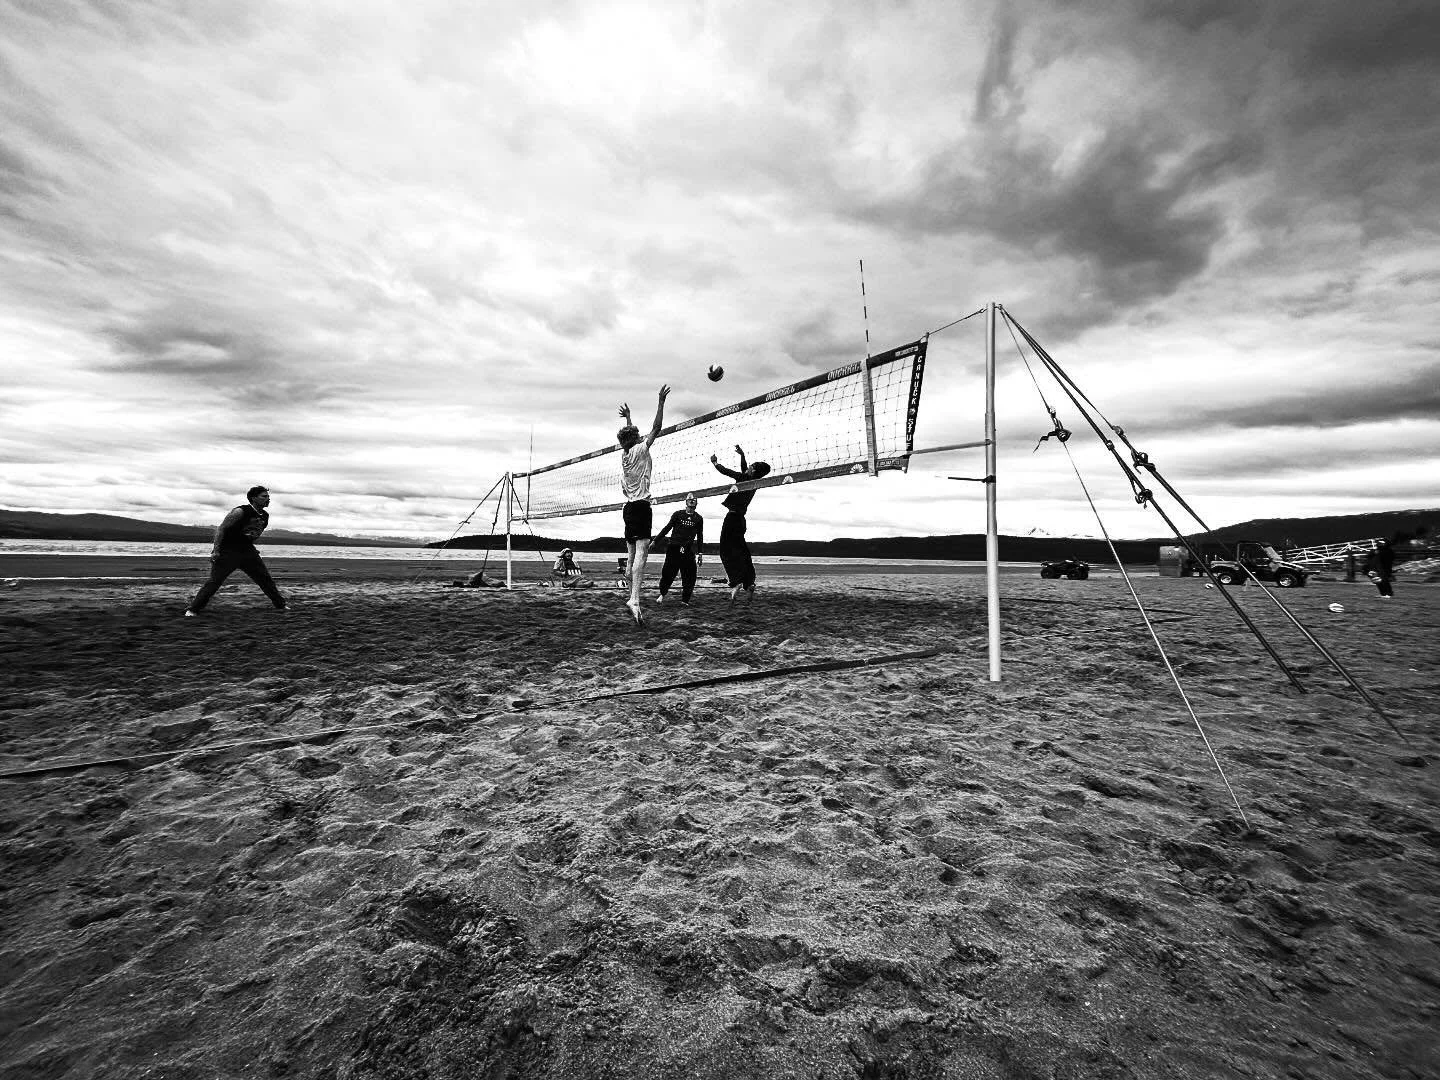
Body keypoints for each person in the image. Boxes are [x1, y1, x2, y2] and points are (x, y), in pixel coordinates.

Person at [185, 485, 288, 615]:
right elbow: (221, 529)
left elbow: (253, 533)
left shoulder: (265, 516)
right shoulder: (240, 511)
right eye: (264, 496)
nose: (268, 499)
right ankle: (193, 610)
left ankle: (281, 605)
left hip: (248, 552)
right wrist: (216, 550)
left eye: (268, 497)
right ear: (253, 498)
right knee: (215, 581)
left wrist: (250, 548)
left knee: (265, 579)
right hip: (228, 551)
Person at [615, 384, 670, 626]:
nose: (640, 437)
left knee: (632, 554)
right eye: (637, 436)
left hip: (628, 508)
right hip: (639, 507)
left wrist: (628, 418)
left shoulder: (625, 454)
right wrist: (660, 402)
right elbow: (656, 428)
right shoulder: (639, 449)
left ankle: (629, 579)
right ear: (635, 440)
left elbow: (631, 435)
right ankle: (634, 599)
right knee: (642, 552)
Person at [711, 444, 771, 601]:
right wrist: (742, 455)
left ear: (753, 471)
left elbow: (727, 471)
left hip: (732, 519)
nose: (748, 467)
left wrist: (715, 463)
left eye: (750, 467)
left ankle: (735, 581)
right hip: (741, 521)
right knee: (742, 551)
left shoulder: (744, 478)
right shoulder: (754, 482)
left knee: (725, 551)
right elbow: (745, 469)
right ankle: (749, 583)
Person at [654, 493, 704, 605]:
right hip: (674, 548)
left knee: (690, 575)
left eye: (694, 499)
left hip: (688, 550)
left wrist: (700, 553)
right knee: (668, 573)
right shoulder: (678, 514)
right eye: (690, 499)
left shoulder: (698, 518)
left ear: (696, 503)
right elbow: (667, 528)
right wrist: (655, 541)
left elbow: (700, 536)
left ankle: (685, 601)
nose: (692, 501)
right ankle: (662, 594)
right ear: (686, 501)